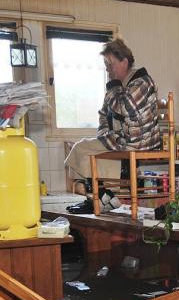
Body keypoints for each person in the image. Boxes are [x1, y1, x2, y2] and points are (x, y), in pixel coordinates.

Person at [65, 38, 161, 193]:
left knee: (84, 149)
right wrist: (104, 134)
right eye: (105, 65)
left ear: (124, 62)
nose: (108, 69)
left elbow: (124, 108)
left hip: (138, 141)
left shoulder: (143, 82)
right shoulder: (117, 86)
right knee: (81, 148)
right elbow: (104, 113)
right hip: (119, 139)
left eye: (110, 64)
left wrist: (113, 86)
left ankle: (94, 187)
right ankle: (96, 187)